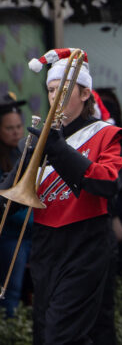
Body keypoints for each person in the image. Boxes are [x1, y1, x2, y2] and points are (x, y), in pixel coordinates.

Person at [4, 48, 122, 343]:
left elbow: (109, 182)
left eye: (62, 89)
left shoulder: (108, 135)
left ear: (85, 93)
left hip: (87, 244)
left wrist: (58, 148)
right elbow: (8, 199)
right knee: (45, 333)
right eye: (50, 89)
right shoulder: (38, 140)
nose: (54, 97)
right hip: (46, 248)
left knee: (62, 336)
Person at [0, 92, 29, 317]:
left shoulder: (22, 151)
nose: (17, 131)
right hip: (10, 234)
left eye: (19, 126)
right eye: (10, 128)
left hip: (31, 231)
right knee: (11, 287)